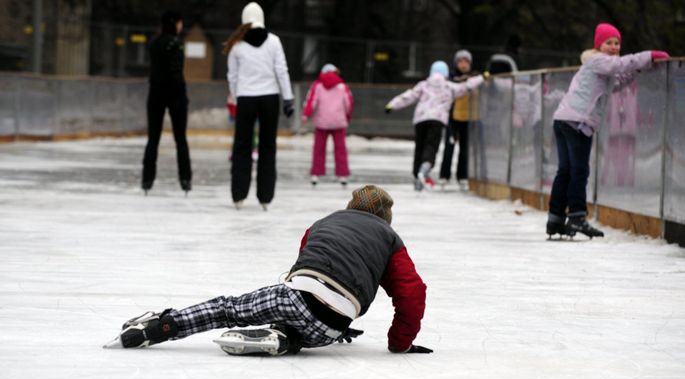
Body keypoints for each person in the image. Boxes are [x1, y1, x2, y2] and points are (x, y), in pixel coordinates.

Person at [105, 185, 432, 356]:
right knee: (304, 329)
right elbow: (412, 293)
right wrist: (399, 343)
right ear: (386, 218)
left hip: (299, 296)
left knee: (228, 309)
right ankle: (284, 339)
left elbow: (307, 264)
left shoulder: (324, 222)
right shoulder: (390, 239)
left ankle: (162, 326)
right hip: (333, 326)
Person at [546, 23, 669, 238]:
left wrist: (639, 69)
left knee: (565, 171)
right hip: (577, 122)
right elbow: (622, 64)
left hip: (564, 118)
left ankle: (555, 220)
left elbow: (618, 81)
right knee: (579, 171)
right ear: (598, 45)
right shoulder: (599, 61)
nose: (614, 47)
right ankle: (576, 217)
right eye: (608, 43)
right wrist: (649, 56)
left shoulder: (598, 65)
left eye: (617, 43)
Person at [223, 2, 294, 211]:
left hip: (246, 98)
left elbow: (232, 76)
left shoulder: (236, 44)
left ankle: (238, 195)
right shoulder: (273, 41)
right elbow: (282, 70)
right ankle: (265, 196)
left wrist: (235, 98)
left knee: (242, 146)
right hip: (269, 99)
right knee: (267, 147)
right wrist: (288, 98)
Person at [385, 61, 483, 191]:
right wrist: (483, 77)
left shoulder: (423, 85)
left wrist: (392, 105)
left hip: (420, 119)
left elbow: (408, 96)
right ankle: (425, 168)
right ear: (445, 73)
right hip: (437, 119)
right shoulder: (449, 86)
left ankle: (417, 178)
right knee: (431, 146)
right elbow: (466, 86)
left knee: (419, 147)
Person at [141, 10, 192, 195]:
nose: (181, 26)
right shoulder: (176, 44)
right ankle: (185, 179)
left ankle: (147, 179)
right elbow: (177, 72)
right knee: (181, 139)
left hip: (155, 94)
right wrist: (182, 97)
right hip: (175, 96)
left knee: (153, 139)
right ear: (174, 23)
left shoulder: (154, 44)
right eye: (179, 22)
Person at [302, 63, 354, 187]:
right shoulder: (342, 86)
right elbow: (349, 103)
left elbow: (311, 101)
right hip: (338, 121)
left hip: (322, 122)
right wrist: (347, 117)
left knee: (318, 149)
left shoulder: (317, 86)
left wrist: (306, 115)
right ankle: (343, 175)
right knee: (340, 149)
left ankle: (315, 175)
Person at [439, 50, 480, 190]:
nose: (463, 64)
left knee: (465, 149)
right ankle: (444, 176)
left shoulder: (474, 77)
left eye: (466, 61)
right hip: (452, 118)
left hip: (468, 118)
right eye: (460, 61)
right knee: (449, 147)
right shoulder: (450, 77)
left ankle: (462, 176)